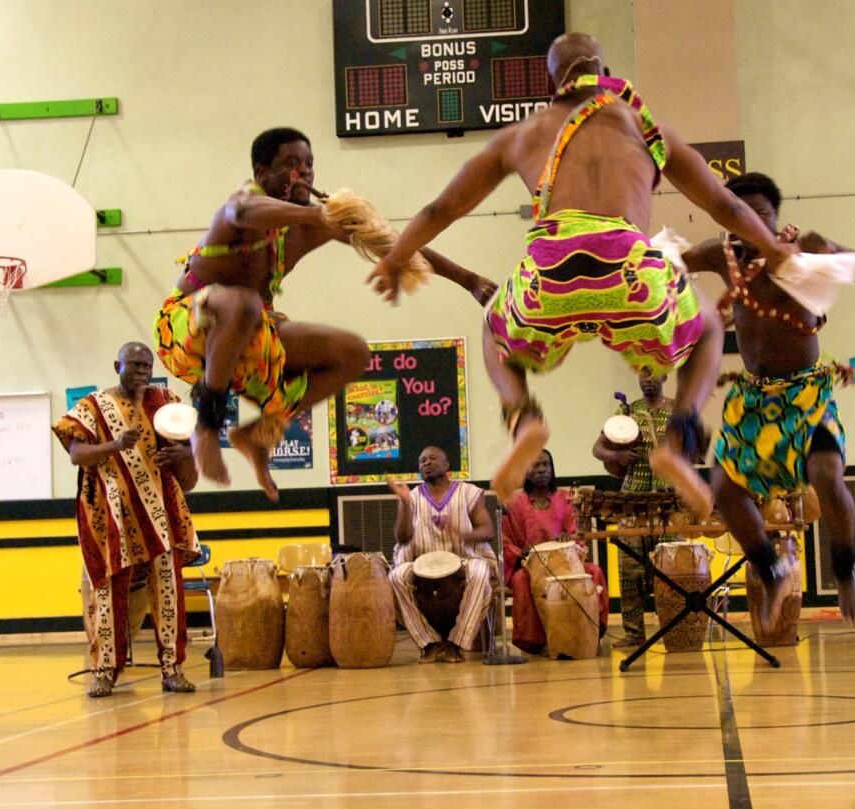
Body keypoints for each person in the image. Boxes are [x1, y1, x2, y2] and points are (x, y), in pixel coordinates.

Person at [368, 32, 807, 515]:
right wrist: (774, 251)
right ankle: (679, 433)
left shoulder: (523, 134)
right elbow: (725, 204)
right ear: (604, 71)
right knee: (704, 327)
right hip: (630, 273)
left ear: (551, 80)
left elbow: (441, 208)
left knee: (494, 324)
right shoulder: (646, 128)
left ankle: (523, 418)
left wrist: (394, 259)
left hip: (550, 275)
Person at [156, 127, 496, 495]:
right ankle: (207, 427)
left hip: (252, 336)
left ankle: (260, 435)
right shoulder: (243, 206)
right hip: (188, 329)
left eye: (309, 165)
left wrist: (469, 280)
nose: (302, 173)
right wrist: (316, 218)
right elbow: (242, 210)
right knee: (244, 303)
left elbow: (396, 244)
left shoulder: (310, 224)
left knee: (352, 353)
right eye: (290, 164)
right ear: (260, 172)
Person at [681, 172, 855, 627]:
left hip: (806, 392)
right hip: (754, 397)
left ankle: (845, 567)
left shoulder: (803, 249)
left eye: (760, 214)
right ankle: (770, 570)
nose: (748, 223)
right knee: (724, 490)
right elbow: (673, 261)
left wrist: (835, 252)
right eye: (737, 214)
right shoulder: (723, 255)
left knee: (825, 474)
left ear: (774, 218)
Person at [52, 342, 200, 698]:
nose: (142, 371)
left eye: (147, 365)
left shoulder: (167, 403)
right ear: (116, 364)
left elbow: (193, 451)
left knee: (169, 589)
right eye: (134, 364)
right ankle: (105, 671)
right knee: (109, 593)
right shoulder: (91, 408)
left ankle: (173, 668)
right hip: (113, 514)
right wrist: (115, 446)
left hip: (162, 512)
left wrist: (185, 451)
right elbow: (77, 454)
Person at [388, 446, 497, 663]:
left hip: (465, 560)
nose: (426, 463)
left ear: (447, 465)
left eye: (432, 458)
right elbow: (402, 537)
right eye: (422, 460)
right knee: (397, 576)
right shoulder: (411, 497)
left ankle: (456, 643)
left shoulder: (468, 492)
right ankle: (430, 643)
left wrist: (464, 532)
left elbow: (488, 531)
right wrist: (405, 503)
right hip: (421, 564)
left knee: (479, 571)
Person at [591, 373, 673, 646]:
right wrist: (617, 456)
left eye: (653, 373)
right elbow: (597, 448)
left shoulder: (676, 410)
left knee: (670, 569)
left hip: (668, 501)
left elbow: (694, 448)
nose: (648, 379)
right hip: (632, 500)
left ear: (664, 375)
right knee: (630, 571)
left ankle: (672, 629)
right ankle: (634, 633)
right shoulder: (627, 412)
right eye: (642, 374)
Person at [501, 450, 609, 655]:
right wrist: (520, 554)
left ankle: (590, 631)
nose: (542, 470)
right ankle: (537, 643)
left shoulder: (566, 498)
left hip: (566, 563)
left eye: (545, 465)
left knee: (593, 571)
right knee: (519, 580)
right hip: (532, 569)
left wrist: (568, 539)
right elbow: (505, 539)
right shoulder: (515, 503)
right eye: (535, 465)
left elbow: (576, 531)